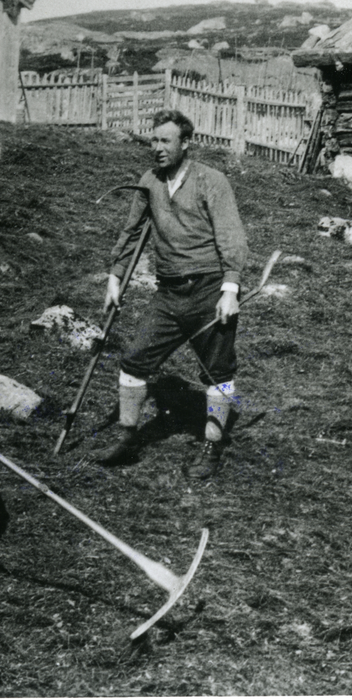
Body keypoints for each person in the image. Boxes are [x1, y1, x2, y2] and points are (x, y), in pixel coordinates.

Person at [93, 109, 249, 479]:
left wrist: (230, 289)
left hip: (210, 288)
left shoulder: (211, 181)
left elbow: (232, 236)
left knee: (217, 371)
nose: (158, 148)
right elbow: (132, 233)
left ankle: (211, 446)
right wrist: (115, 276)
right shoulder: (149, 181)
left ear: (185, 144)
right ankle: (128, 437)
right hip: (169, 293)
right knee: (134, 360)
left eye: (166, 141)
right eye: (154, 140)